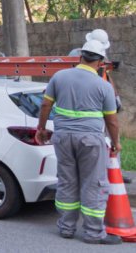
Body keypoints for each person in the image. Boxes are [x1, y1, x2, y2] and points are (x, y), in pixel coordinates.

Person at [35, 39, 121, 245]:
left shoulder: (59, 77)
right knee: (93, 183)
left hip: (63, 138)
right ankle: (93, 233)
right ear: (100, 62)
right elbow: (112, 120)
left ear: (80, 57)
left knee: (67, 181)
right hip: (90, 141)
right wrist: (115, 142)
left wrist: (41, 129)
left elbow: (45, 106)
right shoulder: (103, 86)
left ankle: (66, 228)